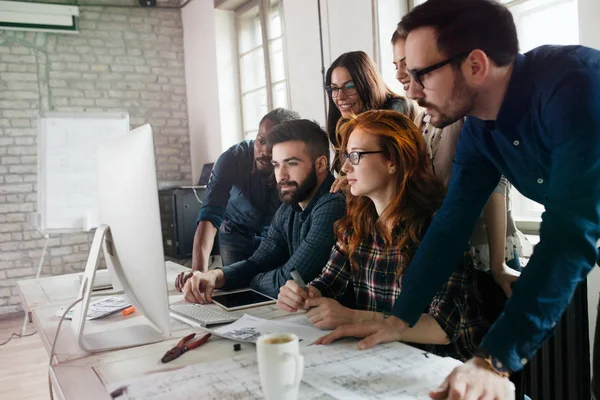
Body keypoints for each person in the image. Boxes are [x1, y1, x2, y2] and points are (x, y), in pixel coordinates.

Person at [318, 1, 600, 399]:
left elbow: (569, 234)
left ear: (475, 66)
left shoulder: (577, 87)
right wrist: (401, 318)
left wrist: (494, 360)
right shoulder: (480, 129)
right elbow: (450, 225)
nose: (411, 91)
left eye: (421, 75)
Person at [277, 110, 489, 361]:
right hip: (384, 359)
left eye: (355, 156)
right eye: (346, 156)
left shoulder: (437, 228)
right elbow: (327, 285)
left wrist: (353, 316)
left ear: (393, 161)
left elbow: (443, 328)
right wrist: (304, 294)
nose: (344, 167)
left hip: (444, 369)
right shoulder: (355, 227)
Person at [391, 29, 522, 299]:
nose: (399, 74)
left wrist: (498, 264)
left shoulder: (465, 110)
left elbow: (495, 184)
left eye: (406, 63)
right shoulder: (421, 117)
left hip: (487, 257)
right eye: (396, 66)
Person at [181, 119, 346, 301]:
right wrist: (214, 276)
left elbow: (287, 280)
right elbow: (258, 262)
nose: (281, 176)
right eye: (276, 165)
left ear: (321, 164)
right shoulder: (288, 209)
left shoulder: (333, 204)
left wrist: (252, 279)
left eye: (291, 163)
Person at [175, 108, 300, 291]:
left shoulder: (292, 168)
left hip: (273, 236)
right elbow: (210, 215)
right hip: (235, 232)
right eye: (261, 141)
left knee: (272, 289)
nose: (264, 151)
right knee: (233, 288)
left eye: (273, 144)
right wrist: (198, 272)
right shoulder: (232, 159)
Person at [325, 51, 417, 170]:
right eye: (334, 88)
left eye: (349, 86)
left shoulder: (398, 108)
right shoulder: (344, 124)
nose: (340, 97)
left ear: (368, 84)